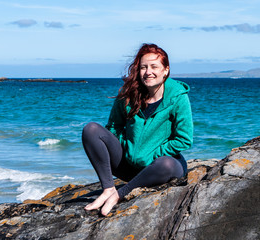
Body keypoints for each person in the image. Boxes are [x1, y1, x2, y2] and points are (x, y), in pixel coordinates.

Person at [82, 43, 193, 216]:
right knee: (91, 130)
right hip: (129, 166)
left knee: (167, 163)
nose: (148, 72)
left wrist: (151, 154)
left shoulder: (178, 98)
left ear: (166, 70)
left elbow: (184, 139)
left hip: (158, 167)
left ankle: (119, 195)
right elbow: (113, 127)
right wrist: (126, 147)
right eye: (143, 67)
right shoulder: (128, 93)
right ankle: (108, 189)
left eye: (154, 66)